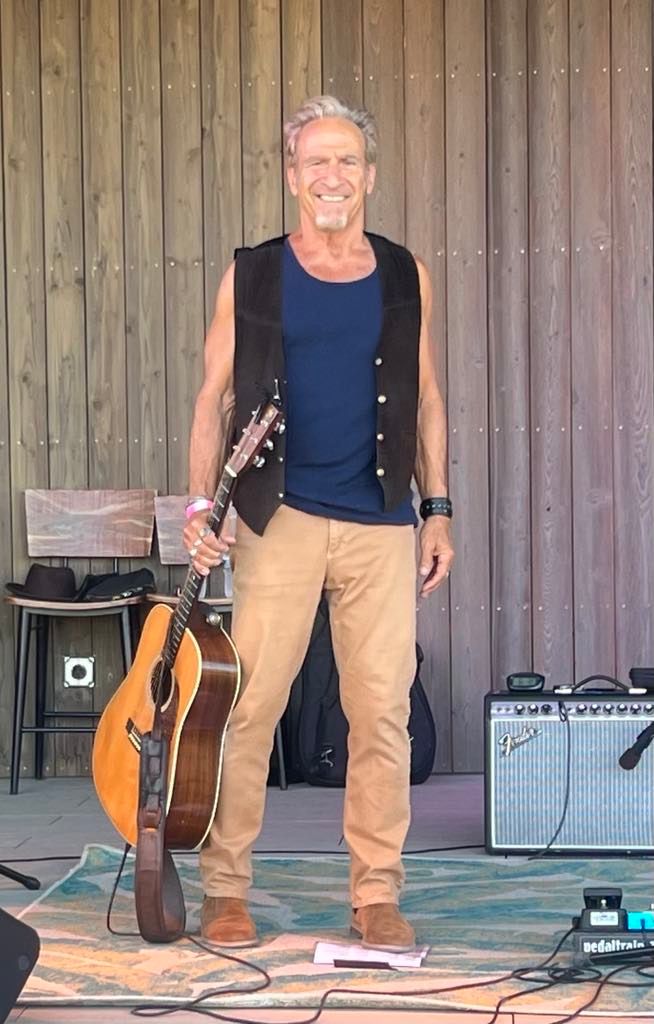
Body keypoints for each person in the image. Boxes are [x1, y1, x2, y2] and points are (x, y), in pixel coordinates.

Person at [182, 95, 454, 953]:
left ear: (368, 176)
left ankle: (376, 896)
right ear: (293, 177)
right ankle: (225, 889)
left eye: (346, 161)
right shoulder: (253, 275)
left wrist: (438, 510)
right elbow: (213, 398)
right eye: (315, 162)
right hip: (279, 517)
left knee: (381, 716)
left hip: (380, 519)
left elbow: (427, 398)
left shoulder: (406, 273)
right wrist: (200, 506)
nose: (331, 175)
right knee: (247, 707)